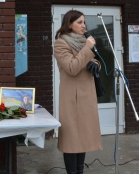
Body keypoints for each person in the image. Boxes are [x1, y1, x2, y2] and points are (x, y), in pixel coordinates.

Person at [54, 10, 103, 174]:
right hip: (72, 97)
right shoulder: (61, 43)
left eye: (84, 22)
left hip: (86, 95)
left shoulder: (84, 42)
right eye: (79, 22)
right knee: (71, 139)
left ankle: (80, 171)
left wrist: (96, 64)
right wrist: (88, 48)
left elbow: (93, 60)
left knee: (83, 137)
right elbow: (72, 67)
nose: (84, 25)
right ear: (69, 24)